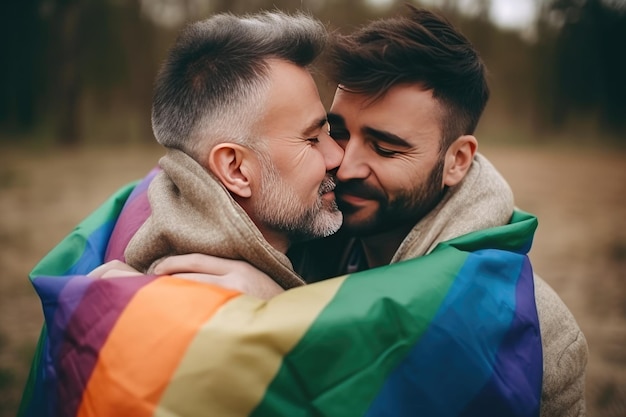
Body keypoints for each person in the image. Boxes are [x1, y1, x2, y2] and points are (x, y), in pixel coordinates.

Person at [154, 6, 588, 416]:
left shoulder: (533, 330)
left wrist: (279, 311)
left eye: (385, 148)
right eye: (335, 132)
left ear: (456, 160)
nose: (344, 164)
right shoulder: (298, 227)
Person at [92, 10, 344, 291]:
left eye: (330, 133)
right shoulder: (191, 306)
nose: (338, 156)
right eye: (311, 139)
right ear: (235, 169)